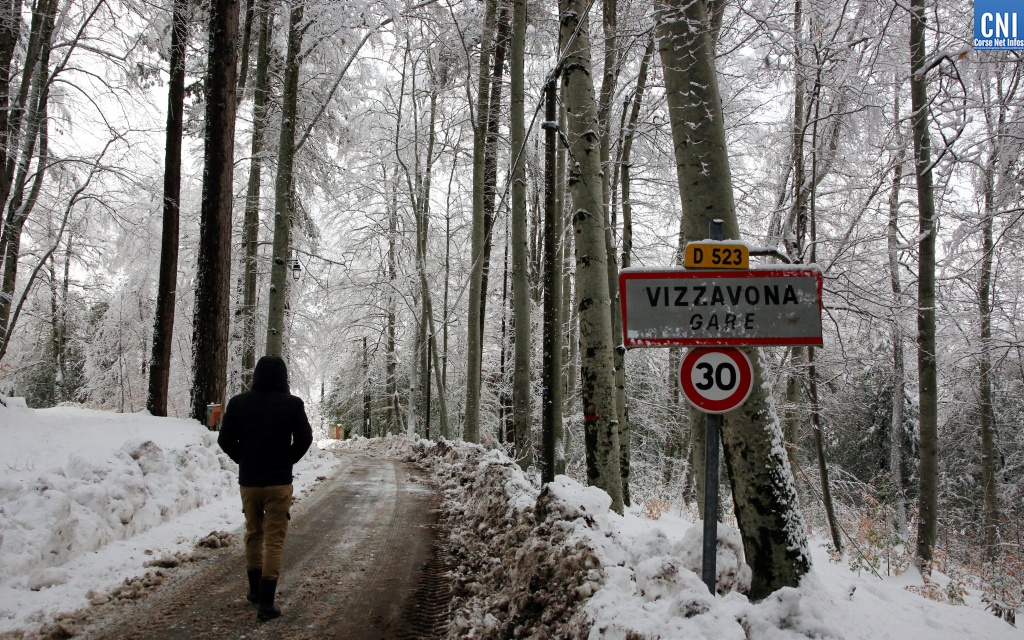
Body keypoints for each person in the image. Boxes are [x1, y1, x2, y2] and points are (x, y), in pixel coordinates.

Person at [218, 355, 313, 621]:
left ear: (256, 375)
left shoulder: (238, 403)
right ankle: (267, 603)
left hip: (249, 482)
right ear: (283, 377)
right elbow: (305, 437)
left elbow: (224, 439)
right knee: (274, 539)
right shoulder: (292, 404)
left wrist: (243, 459)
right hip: (278, 482)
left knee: (253, 533)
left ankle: (253, 592)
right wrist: (288, 459)